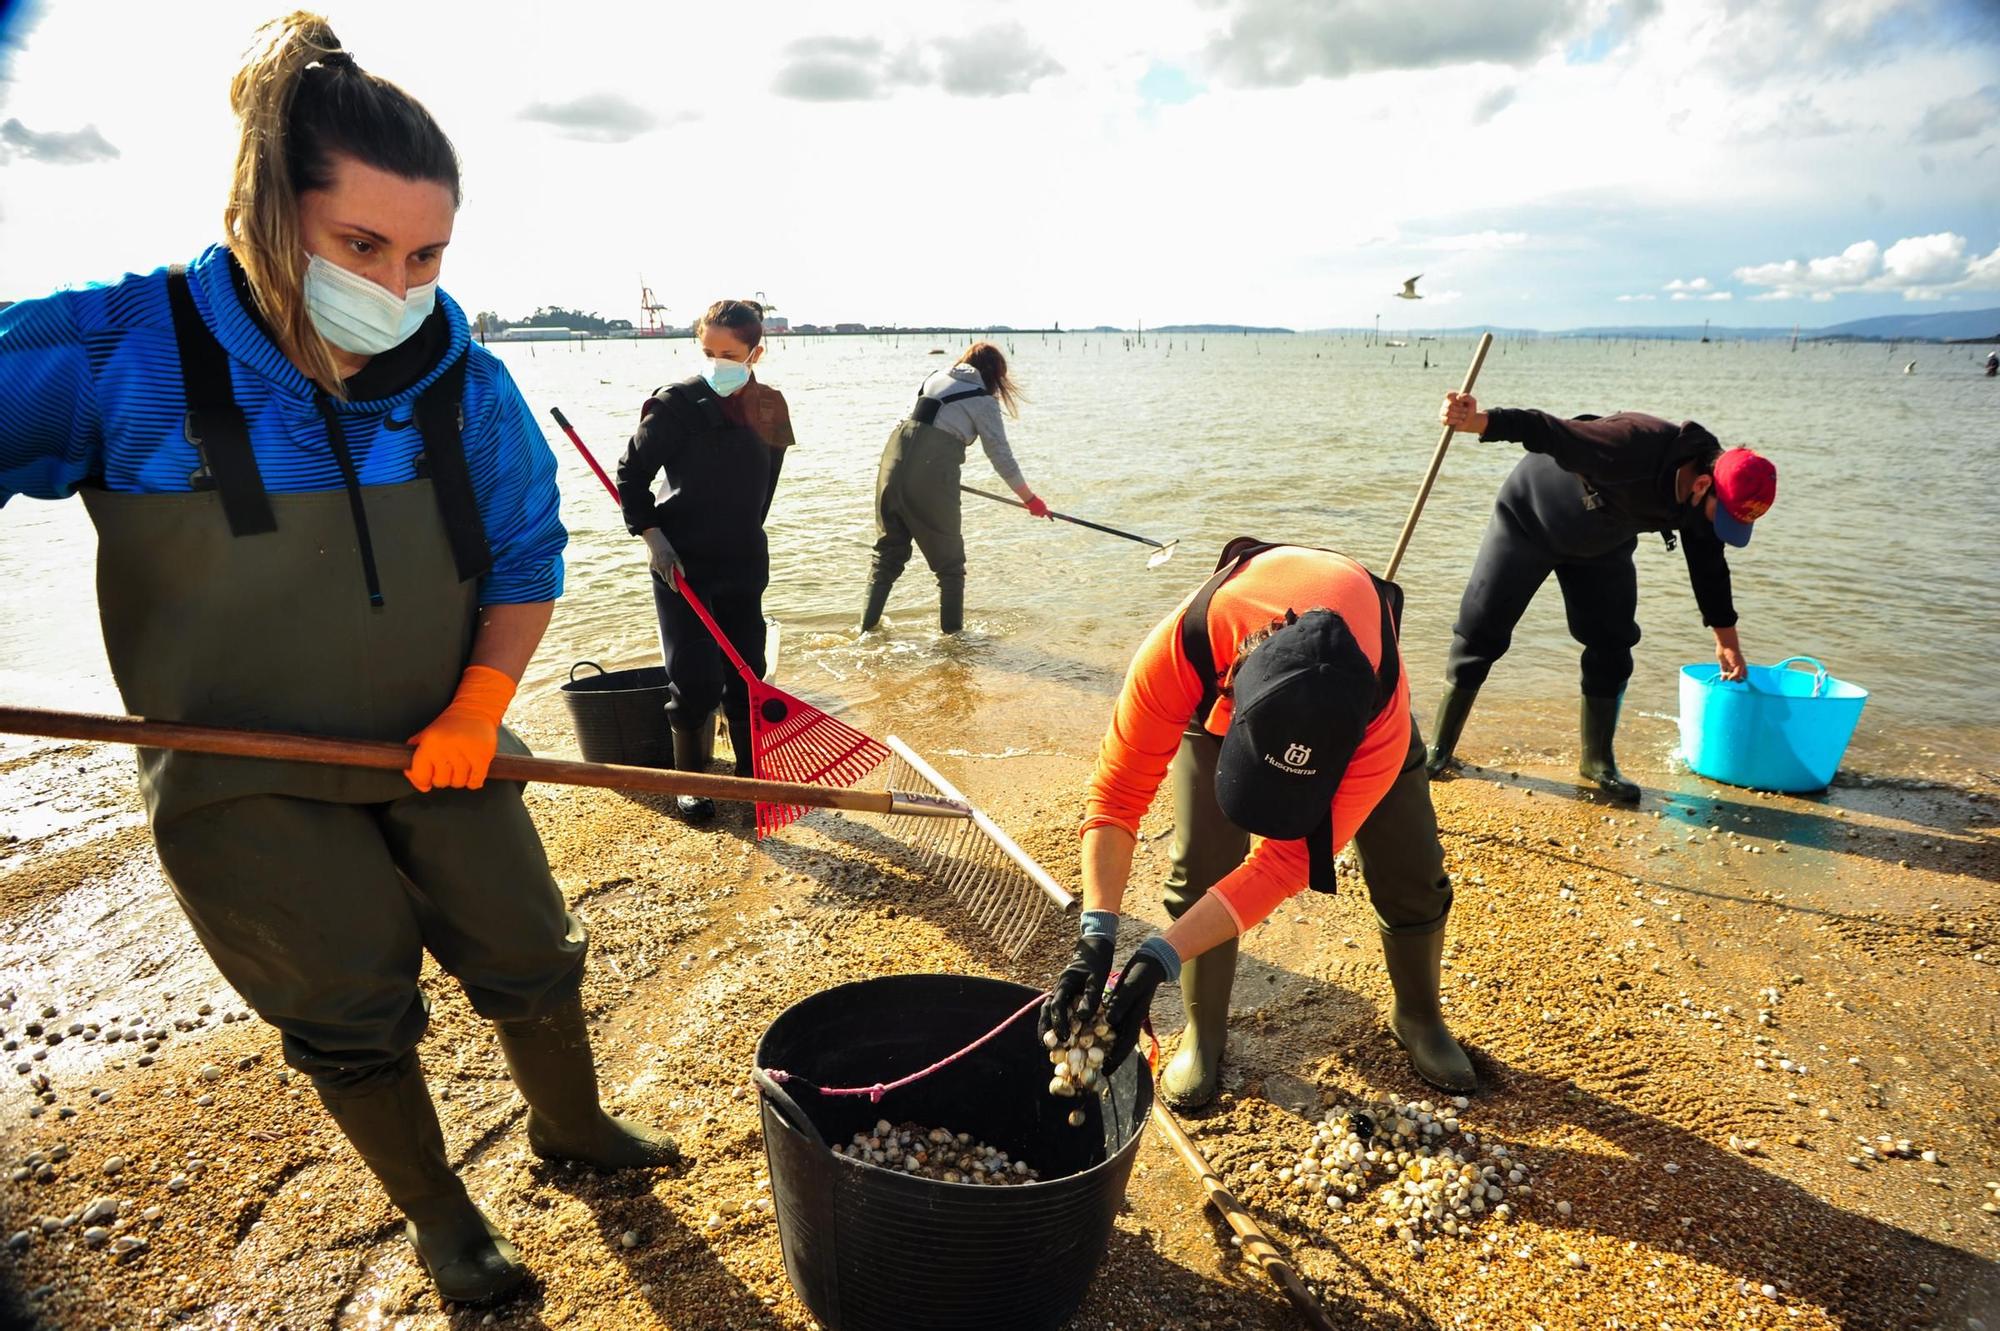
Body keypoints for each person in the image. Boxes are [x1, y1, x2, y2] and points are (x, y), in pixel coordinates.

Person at [0, 13, 677, 1304]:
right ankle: (440, 1215)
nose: (395, 284)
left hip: (445, 738)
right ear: (266, 208)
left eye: (425, 253)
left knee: (531, 946)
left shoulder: (462, 384)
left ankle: (572, 1126)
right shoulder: (119, 353)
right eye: (360, 245)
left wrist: (482, 702)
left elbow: (528, 556)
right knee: (347, 1005)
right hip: (241, 777)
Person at [1039, 541, 1476, 1110]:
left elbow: (1286, 863)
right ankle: (1204, 1034)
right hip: (1221, 682)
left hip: (1357, 715)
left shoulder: (1379, 724)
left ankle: (1417, 1016)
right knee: (1201, 862)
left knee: (1411, 868)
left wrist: (1159, 956)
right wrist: (1096, 935)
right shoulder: (1183, 650)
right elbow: (1117, 797)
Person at [1423, 393, 1777, 803]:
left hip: (1602, 543)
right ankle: (1439, 749)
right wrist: (1478, 421)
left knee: (1613, 643)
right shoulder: (1627, 444)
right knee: (1480, 634)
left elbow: (1709, 566)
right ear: (1702, 485)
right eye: (1725, 517)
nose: (1721, 527)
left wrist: (1727, 641)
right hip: (1530, 519)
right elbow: (1545, 429)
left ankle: (1597, 762)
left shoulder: (1703, 498)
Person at [615, 299, 794, 821]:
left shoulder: (771, 406)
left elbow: (768, 482)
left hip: (742, 557)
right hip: (682, 563)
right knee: (694, 679)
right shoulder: (674, 405)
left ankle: (752, 775)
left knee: (748, 673)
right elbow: (631, 475)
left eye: (729, 353)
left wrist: (745, 531)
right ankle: (691, 783)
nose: (717, 361)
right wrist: (654, 539)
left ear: (755, 352)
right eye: (708, 351)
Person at [859, 341, 1050, 634]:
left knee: (886, 557)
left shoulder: (933, 378)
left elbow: (914, 428)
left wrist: (925, 473)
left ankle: (864, 631)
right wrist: (1031, 500)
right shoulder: (983, 399)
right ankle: (954, 644)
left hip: (890, 468)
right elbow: (1001, 457)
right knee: (950, 568)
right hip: (930, 479)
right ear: (995, 375)